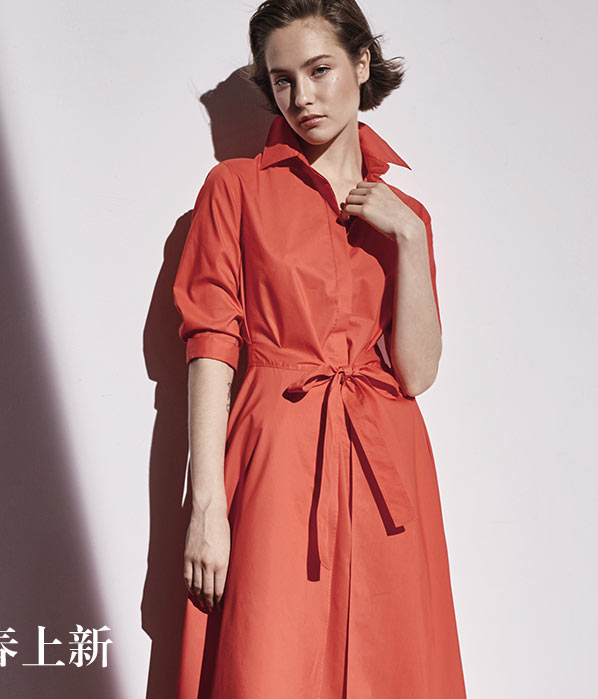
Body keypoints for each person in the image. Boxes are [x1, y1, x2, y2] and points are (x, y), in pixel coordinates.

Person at [171, 1, 467, 696]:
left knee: (390, 659)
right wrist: (207, 505)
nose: (301, 97)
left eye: (319, 70)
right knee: (271, 654)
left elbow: (417, 372)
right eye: (283, 80)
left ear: (361, 64)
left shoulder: (407, 216)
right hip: (277, 454)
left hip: (385, 464)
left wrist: (410, 239)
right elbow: (212, 344)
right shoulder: (235, 189)